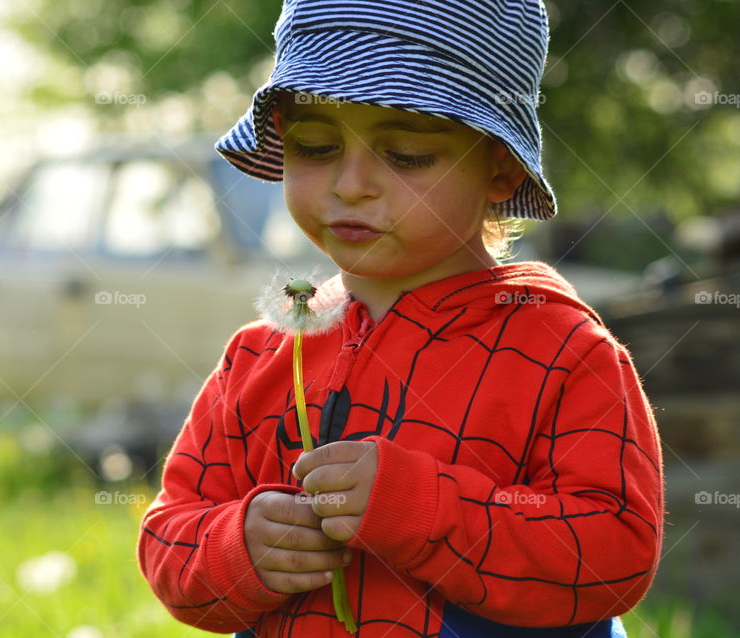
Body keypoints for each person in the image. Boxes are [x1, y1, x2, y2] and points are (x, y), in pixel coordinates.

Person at [138, 1, 664, 636]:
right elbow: (169, 534)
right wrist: (237, 545)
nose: (351, 183)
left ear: (500, 166)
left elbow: (615, 554)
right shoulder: (262, 354)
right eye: (315, 144)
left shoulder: (560, 352)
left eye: (408, 153)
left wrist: (422, 508)